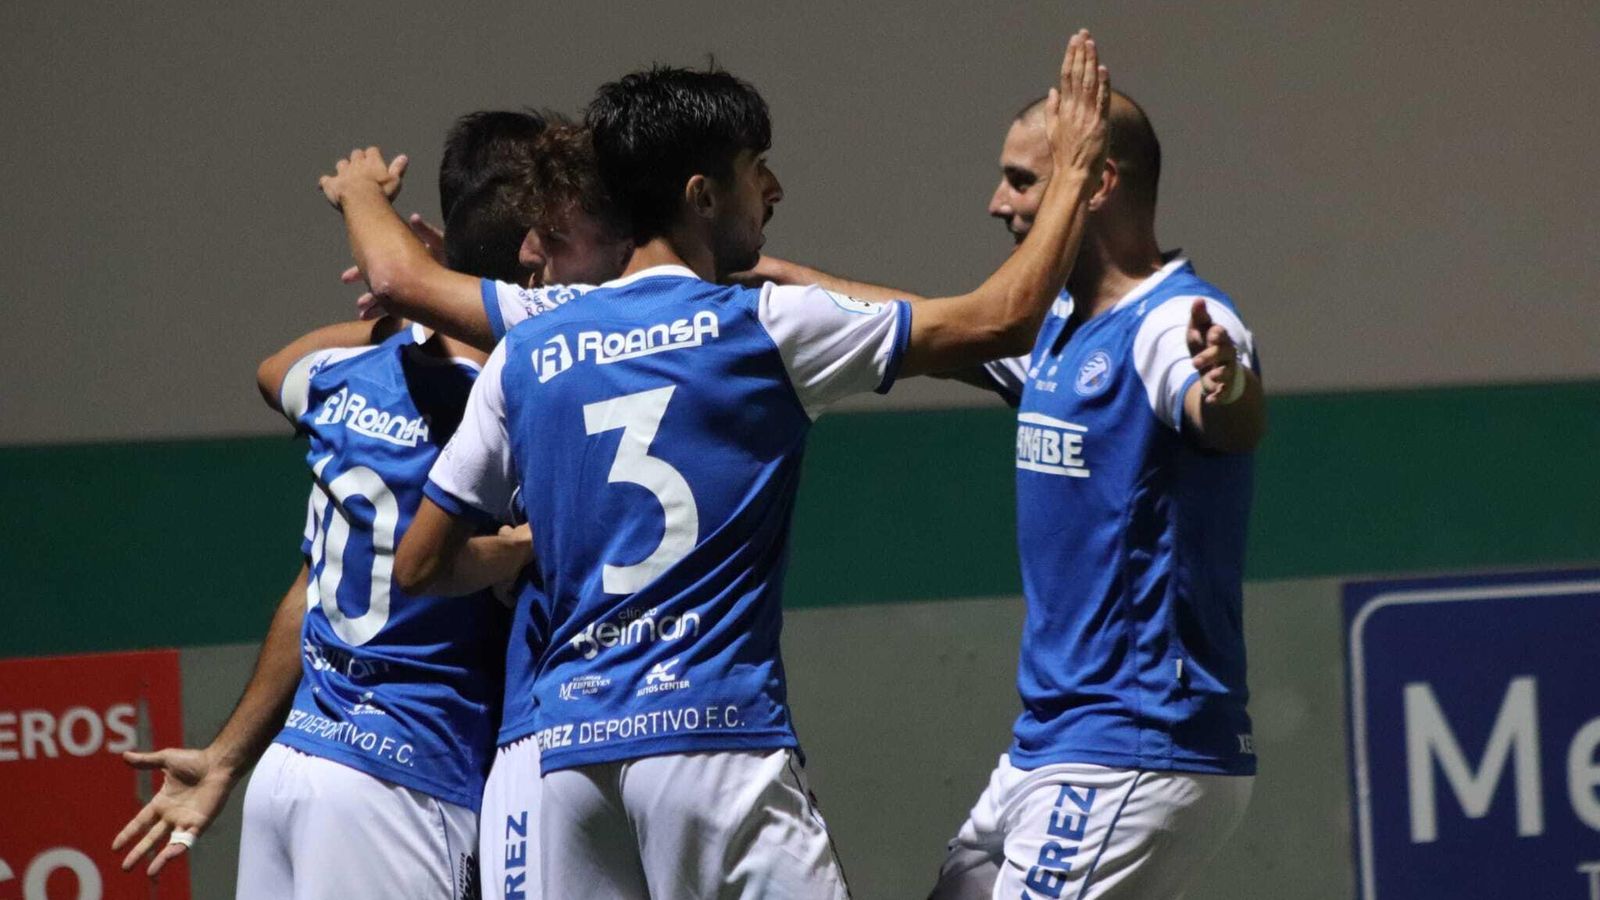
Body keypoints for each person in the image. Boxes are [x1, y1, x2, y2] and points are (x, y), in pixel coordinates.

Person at [349, 31, 1110, 899]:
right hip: (711, 744)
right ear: (702, 195)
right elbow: (1001, 321)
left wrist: (524, 550)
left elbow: (420, 564)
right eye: (758, 167)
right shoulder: (762, 329)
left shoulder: (528, 353)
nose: (775, 188)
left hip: (564, 764)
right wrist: (1076, 173)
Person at [112, 110, 549, 899]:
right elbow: (432, 566)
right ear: (541, 255)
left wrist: (407, 304)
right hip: (402, 782)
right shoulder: (516, 408)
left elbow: (273, 370)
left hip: (293, 769)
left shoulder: (344, 376)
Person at [926, 90, 1267, 899]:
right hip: (1049, 747)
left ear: (1097, 182)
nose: (997, 202)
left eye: (1021, 180)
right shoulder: (1057, 330)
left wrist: (1226, 388)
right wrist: (767, 283)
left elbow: (1226, 416)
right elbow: (912, 327)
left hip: (1137, 746)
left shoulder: (1175, 320)